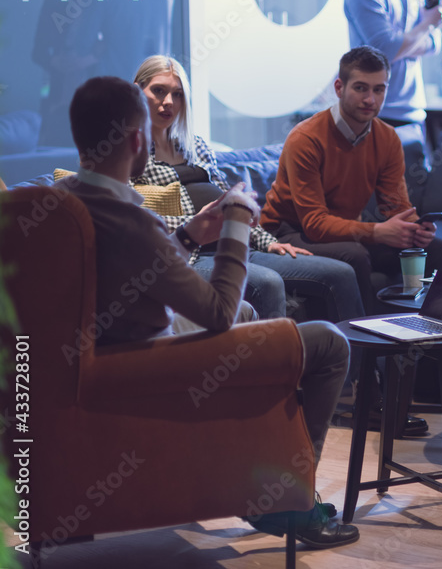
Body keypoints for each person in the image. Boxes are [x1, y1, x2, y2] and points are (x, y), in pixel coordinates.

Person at [58, 76, 359, 548]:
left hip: (91, 354)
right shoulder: (133, 221)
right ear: (138, 140)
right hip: (138, 368)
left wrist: (186, 237)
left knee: (245, 313)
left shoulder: (58, 205)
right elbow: (214, 313)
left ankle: (253, 471)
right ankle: (288, 502)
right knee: (329, 343)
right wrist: (237, 221)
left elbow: (124, 273)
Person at [260, 45, 442, 417]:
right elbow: (313, 223)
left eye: (379, 89)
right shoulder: (306, 138)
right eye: (361, 88)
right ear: (339, 87)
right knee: (355, 255)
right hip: (287, 233)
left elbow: (397, 209)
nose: (371, 98)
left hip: (338, 231)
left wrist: (415, 230)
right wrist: (378, 232)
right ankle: (369, 389)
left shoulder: (387, 139)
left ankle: (427, 374)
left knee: (438, 250)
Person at [131, 55, 365, 325]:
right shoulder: (128, 150)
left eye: (178, 94)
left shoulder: (195, 146)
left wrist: (269, 242)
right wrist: (197, 224)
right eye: (159, 91)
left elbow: (232, 204)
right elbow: (135, 218)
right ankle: (271, 366)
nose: (169, 102)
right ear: (138, 91)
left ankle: (361, 368)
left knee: (341, 273)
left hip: (236, 244)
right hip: (191, 256)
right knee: (267, 282)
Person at [31, 0, 103, 146]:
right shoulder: (53, 4)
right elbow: (37, 50)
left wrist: (86, 61)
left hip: (93, 90)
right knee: (58, 146)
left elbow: (110, 46)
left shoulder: (102, 4)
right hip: (58, 91)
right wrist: (56, 62)